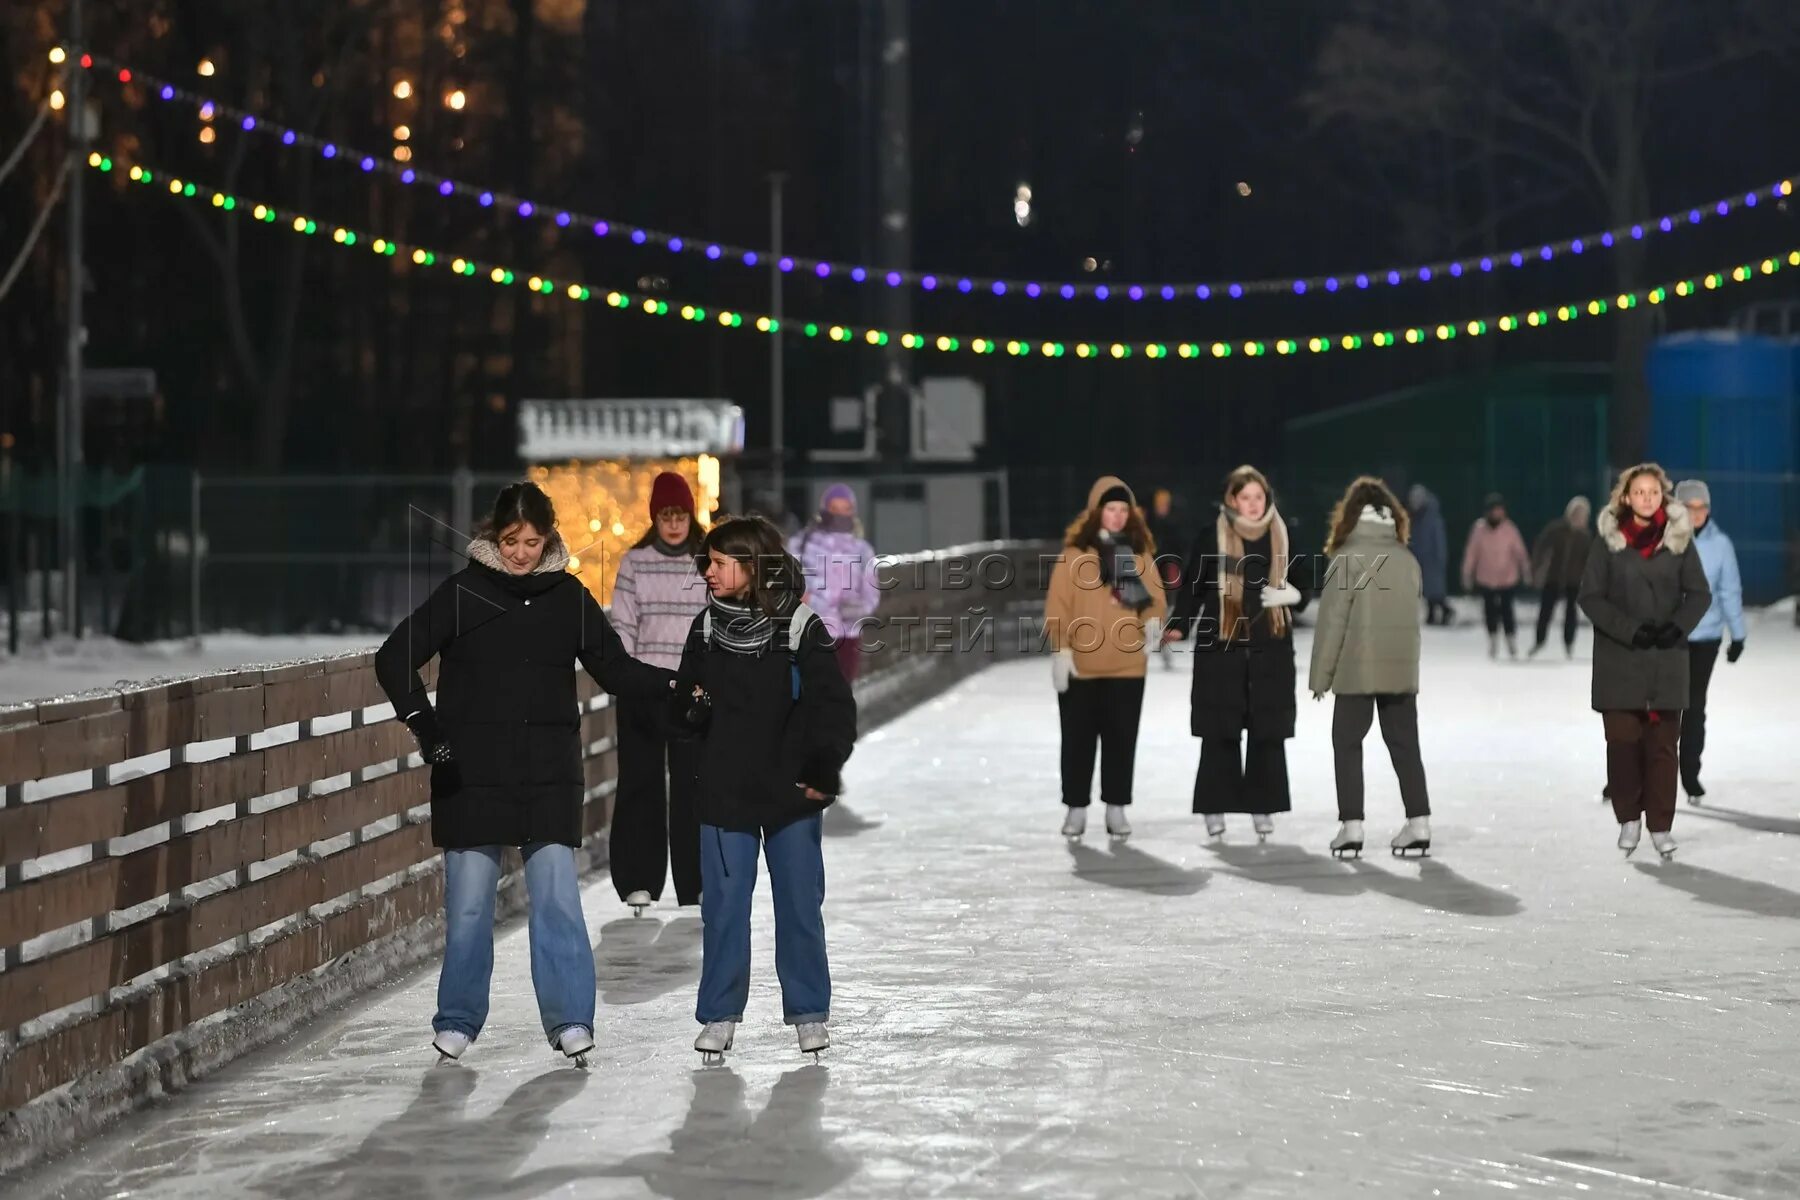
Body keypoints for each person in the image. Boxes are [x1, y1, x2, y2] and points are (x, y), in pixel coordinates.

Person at [375, 481, 676, 1065]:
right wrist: (428, 728)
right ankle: (458, 1020)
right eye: (511, 541)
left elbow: (614, 669)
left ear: (549, 539)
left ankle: (569, 1020)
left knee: (559, 901)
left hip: (546, 774)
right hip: (471, 774)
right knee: (467, 908)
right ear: (494, 536)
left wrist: (673, 681)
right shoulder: (463, 594)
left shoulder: (567, 597)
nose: (520, 553)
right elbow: (394, 658)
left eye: (532, 542)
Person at [673, 515, 858, 1062]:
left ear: (752, 567)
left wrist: (823, 775)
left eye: (721, 563)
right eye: (707, 562)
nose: (708, 571)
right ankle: (720, 1016)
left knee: (799, 904)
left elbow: (833, 709)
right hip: (724, 793)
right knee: (724, 910)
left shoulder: (800, 626)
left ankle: (808, 1013)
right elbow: (683, 705)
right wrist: (690, 708)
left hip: (789, 796)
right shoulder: (705, 628)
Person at [1579, 464, 1710, 860]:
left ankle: (1660, 825)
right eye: (1640, 492)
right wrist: (1628, 629)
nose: (1647, 498)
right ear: (1626, 497)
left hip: (1666, 663)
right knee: (1622, 744)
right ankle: (1628, 818)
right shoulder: (1608, 541)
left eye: (1654, 492)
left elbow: (1699, 594)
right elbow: (1590, 596)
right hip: (1621, 660)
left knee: (1662, 749)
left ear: (1663, 496)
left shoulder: (1680, 540)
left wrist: (1677, 627)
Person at [1166, 465, 1303, 842]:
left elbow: (1306, 578)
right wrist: (1180, 623)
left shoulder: (1283, 534)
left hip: (1269, 648)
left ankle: (1263, 805)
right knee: (1219, 731)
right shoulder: (1211, 537)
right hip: (1221, 646)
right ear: (1232, 500)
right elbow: (1193, 587)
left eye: (1259, 497)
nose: (1254, 504)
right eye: (1246, 498)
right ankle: (1215, 806)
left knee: (1266, 732)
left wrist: (1295, 595)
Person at [1309, 477, 1432, 859]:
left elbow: (1333, 623)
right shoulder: (1407, 559)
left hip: (1357, 670)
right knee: (1405, 745)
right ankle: (1419, 822)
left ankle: (1352, 826)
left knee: (1346, 742)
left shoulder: (1347, 557)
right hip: (1400, 671)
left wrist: (1320, 677)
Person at [1043, 476, 1167, 841]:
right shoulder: (1073, 557)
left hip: (1128, 666)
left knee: (1121, 740)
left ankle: (1117, 808)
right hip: (1081, 667)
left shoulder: (1139, 555)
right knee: (1077, 741)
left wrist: (1153, 624)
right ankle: (1076, 808)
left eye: (1123, 510)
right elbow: (1057, 607)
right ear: (1097, 512)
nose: (1116, 516)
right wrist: (1061, 649)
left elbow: (1155, 601)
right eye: (1110, 509)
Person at [608, 472, 709, 914]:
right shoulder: (635, 563)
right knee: (640, 783)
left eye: (680, 515)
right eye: (666, 515)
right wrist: (629, 677)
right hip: (644, 689)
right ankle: (639, 879)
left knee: (693, 787)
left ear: (690, 515)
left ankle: (696, 884)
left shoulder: (707, 561)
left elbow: (716, 619)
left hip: (692, 690)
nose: (673, 524)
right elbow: (624, 625)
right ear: (655, 517)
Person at [1673, 479, 1746, 801]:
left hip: (1705, 638)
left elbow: (1730, 591)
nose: (1697, 513)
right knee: (1659, 707)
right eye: (1690, 508)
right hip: (1669, 636)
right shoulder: (1663, 542)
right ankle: (1641, 774)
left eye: (1702, 508)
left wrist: (1738, 635)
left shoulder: (1721, 545)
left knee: (1694, 706)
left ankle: (1690, 774)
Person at [788, 484, 881, 683]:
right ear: (824, 510)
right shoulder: (801, 545)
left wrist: (854, 609)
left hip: (847, 638)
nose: (840, 515)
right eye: (834, 509)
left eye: (846, 509)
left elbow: (871, 597)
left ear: (853, 512)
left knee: (839, 698)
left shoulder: (862, 551)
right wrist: (810, 600)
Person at [1461, 492, 1532, 659]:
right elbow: (1471, 553)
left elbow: (1520, 552)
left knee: (1507, 611)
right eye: (1494, 510)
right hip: (1486, 577)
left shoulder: (1510, 529)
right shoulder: (1479, 529)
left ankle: (1511, 641)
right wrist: (1467, 574)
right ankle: (1493, 640)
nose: (1497, 513)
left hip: (1507, 576)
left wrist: (1526, 571)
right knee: (1490, 612)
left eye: (1500, 510)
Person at [1529, 495, 1594, 658]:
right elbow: (1541, 547)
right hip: (1554, 576)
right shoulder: (1556, 530)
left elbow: (1590, 560)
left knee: (1571, 613)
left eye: (1583, 514)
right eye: (1577, 513)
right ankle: (1539, 641)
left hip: (1573, 580)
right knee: (1546, 611)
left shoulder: (1585, 537)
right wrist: (1537, 567)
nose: (1579, 517)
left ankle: (1569, 643)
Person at [1145, 488, 1187, 671]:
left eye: (1164, 503)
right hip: (1151, 574)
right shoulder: (1149, 524)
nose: (1162, 507)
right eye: (1159, 503)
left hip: (1167, 573)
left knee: (1164, 613)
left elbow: (1179, 548)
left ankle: (1164, 651)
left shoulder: (1174, 524)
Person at [1407, 483, 1451, 626]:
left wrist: (1440, 557)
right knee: (1428, 590)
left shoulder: (1433, 519)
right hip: (1422, 558)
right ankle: (1432, 614)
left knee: (1436, 590)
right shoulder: (1417, 518)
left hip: (1433, 559)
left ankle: (1445, 611)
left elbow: (1439, 539)